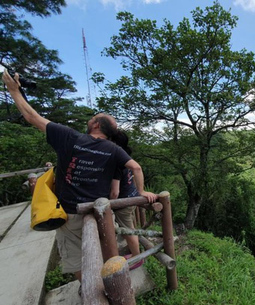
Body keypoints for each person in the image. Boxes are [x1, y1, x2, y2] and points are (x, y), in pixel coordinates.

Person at [2, 71, 157, 281]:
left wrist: (14, 91)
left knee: (77, 260)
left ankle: (89, 293)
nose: (90, 120)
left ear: (95, 125)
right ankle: (111, 290)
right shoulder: (113, 149)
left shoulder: (69, 138)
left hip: (71, 213)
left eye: (92, 118)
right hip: (101, 212)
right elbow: (136, 168)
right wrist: (141, 191)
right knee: (107, 254)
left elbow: (31, 117)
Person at [110, 130, 143, 269]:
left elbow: (115, 192)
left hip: (123, 203)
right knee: (130, 228)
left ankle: (137, 257)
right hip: (133, 197)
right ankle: (136, 254)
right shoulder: (126, 157)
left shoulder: (116, 162)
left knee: (128, 231)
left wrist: (110, 203)